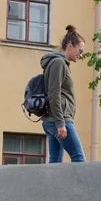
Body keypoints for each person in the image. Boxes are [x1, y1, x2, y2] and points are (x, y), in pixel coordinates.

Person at [40, 25, 86, 163]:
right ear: (70, 46)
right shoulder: (59, 63)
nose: (81, 54)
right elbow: (54, 93)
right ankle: (79, 186)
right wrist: (61, 123)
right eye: (80, 50)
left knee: (55, 163)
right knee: (79, 159)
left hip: (53, 119)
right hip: (59, 119)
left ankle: (49, 186)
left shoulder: (59, 63)